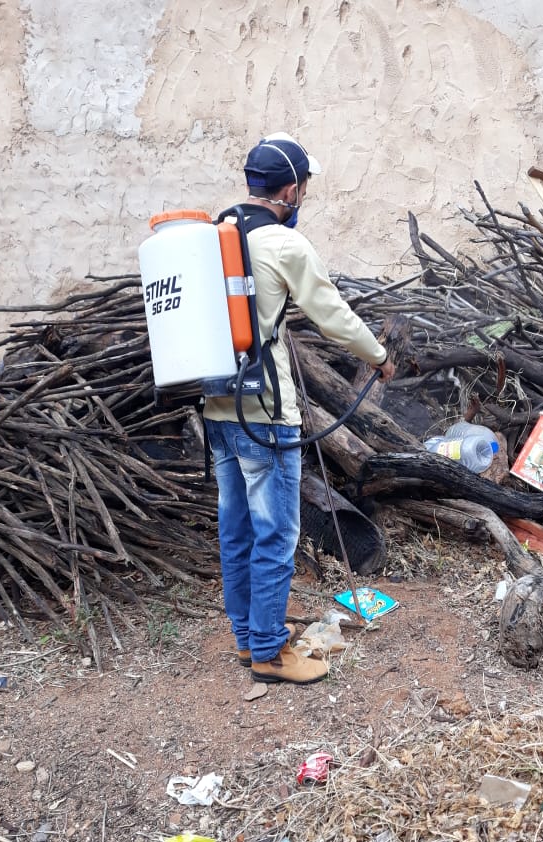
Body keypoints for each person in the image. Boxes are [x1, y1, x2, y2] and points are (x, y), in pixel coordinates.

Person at [203, 132, 395, 688]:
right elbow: (331, 313)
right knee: (276, 535)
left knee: (236, 530)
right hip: (264, 414)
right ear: (291, 189)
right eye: (304, 187)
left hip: (218, 410)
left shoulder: (216, 240)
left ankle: (247, 638)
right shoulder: (284, 245)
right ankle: (268, 651)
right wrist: (378, 356)